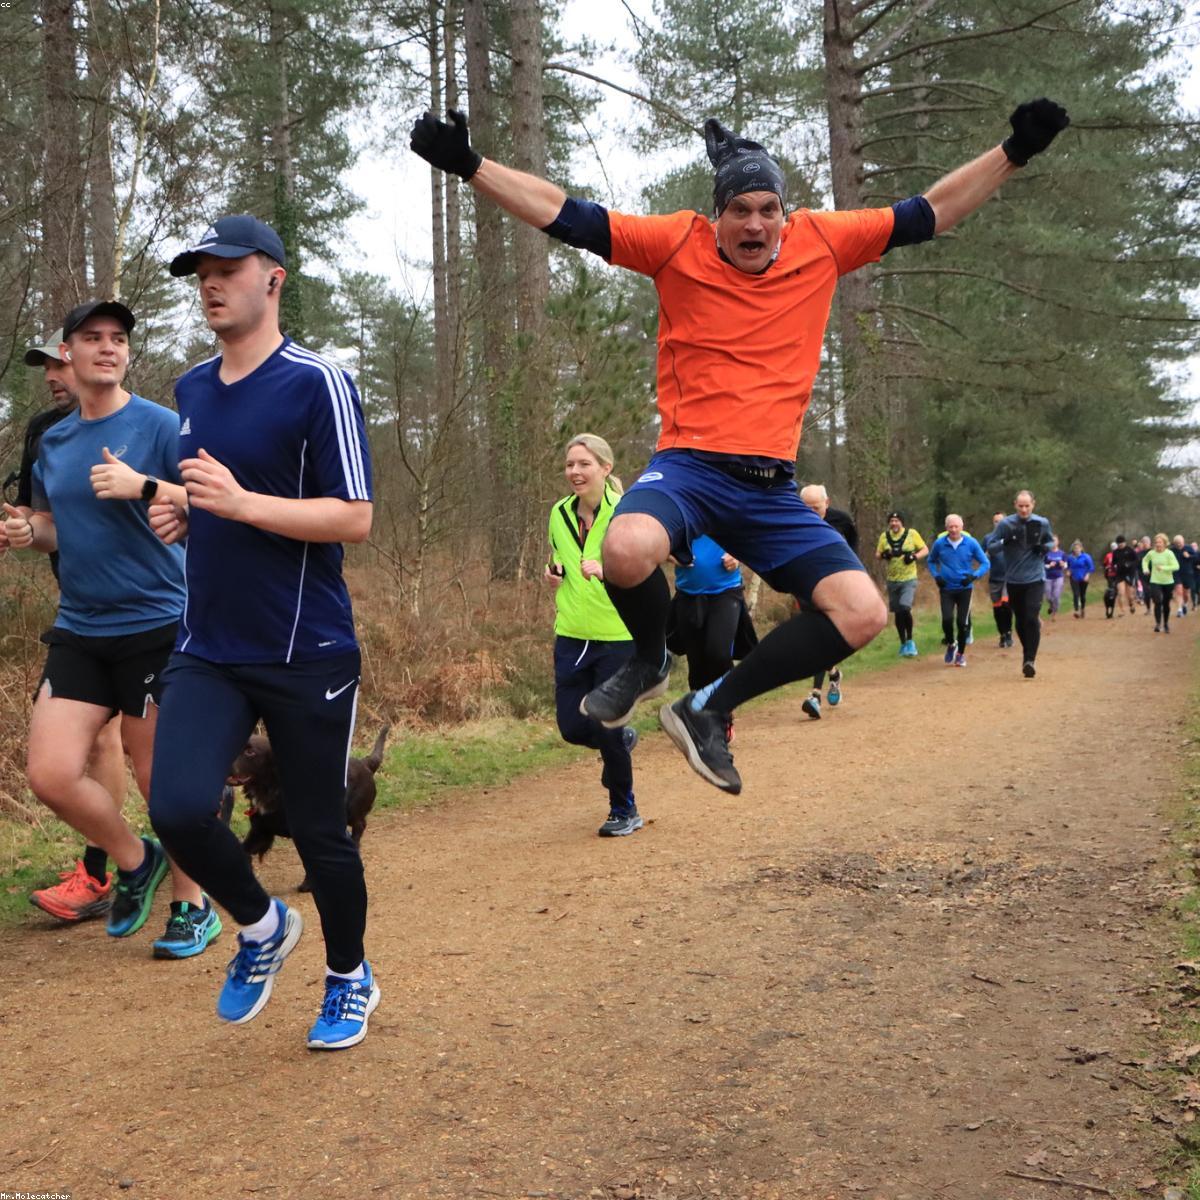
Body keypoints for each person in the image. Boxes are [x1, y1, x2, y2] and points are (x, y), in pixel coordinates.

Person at [410, 94, 1072, 793]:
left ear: (784, 215)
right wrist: (471, 165)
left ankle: (707, 708)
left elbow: (932, 211)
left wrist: (1014, 153)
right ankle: (648, 660)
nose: (755, 224)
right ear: (716, 216)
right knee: (626, 548)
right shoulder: (675, 241)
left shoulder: (824, 240)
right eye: (739, 211)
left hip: (769, 486)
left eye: (767, 210)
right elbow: (565, 213)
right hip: (690, 466)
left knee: (864, 610)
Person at [148, 214, 378, 1049]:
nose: (210, 283)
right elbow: (214, 497)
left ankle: (350, 978)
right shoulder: (191, 389)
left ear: (273, 278)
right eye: (199, 272)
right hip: (208, 643)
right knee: (176, 807)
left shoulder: (318, 382)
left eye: (227, 268)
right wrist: (186, 511)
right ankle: (260, 925)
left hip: (305, 647)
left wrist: (241, 505)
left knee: (320, 834)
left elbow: (354, 517)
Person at [1, 301, 213, 955]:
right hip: (81, 625)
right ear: (68, 352)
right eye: (92, 338)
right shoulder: (56, 441)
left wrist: (144, 485)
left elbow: (213, 501)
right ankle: (133, 859)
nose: (107, 348)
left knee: (157, 776)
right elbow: (54, 528)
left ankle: (192, 904)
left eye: (118, 338)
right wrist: (24, 531)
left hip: (155, 620)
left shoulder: (159, 425)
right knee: (51, 772)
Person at [5, 329, 126, 922]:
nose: (51, 374)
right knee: (91, 743)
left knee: (132, 745)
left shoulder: (138, 428)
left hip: (151, 611)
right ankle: (113, 867)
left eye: (58, 361)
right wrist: (20, 529)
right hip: (79, 608)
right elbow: (37, 515)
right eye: (45, 365)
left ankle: (126, 870)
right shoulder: (42, 433)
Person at [546, 434, 643, 837]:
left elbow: (646, 570)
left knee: (606, 724)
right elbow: (556, 559)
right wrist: (551, 572)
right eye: (570, 464)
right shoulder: (558, 513)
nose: (574, 472)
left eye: (584, 464)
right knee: (572, 727)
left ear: (605, 468)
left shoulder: (627, 513)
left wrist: (609, 571)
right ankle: (617, 742)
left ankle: (624, 809)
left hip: (617, 635)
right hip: (570, 633)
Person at [667, 534, 756, 736]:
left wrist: (738, 555)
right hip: (688, 595)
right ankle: (700, 718)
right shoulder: (681, 510)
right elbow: (659, 543)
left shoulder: (727, 507)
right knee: (697, 662)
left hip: (725, 592)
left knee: (718, 653)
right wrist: (670, 555)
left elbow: (753, 536)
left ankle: (723, 714)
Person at [799, 484, 856, 716]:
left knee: (820, 638)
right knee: (812, 639)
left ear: (827, 503)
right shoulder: (793, 521)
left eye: (816, 507)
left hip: (834, 586)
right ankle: (833, 673)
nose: (812, 512)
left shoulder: (842, 521)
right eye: (807, 507)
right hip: (805, 586)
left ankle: (815, 694)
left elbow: (853, 549)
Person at [988, 490, 1053, 678]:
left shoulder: (1042, 523)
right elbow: (991, 547)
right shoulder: (1005, 524)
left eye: (1027, 505)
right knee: (1021, 620)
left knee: (1032, 618)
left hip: (1035, 578)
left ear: (1033, 504)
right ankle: (1028, 652)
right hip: (1014, 579)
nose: (1024, 509)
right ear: (1015, 505)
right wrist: (1005, 541)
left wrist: (1043, 548)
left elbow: (1050, 542)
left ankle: (1029, 659)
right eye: (1020, 506)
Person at [925, 514, 989, 667]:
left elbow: (985, 563)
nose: (953, 530)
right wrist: (936, 576)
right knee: (947, 620)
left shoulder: (971, 543)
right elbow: (931, 561)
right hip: (946, 588)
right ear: (946, 528)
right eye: (950, 527)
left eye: (956, 526)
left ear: (962, 527)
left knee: (962, 623)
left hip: (964, 588)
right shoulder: (940, 544)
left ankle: (960, 654)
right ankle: (951, 643)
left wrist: (974, 576)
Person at [876, 510, 927, 657]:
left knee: (905, 607)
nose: (894, 523)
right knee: (898, 612)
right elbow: (878, 554)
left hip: (909, 578)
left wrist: (913, 556)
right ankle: (903, 643)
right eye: (891, 521)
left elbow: (925, 549)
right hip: (892, 580)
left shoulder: (911, 534)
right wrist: (885, 555)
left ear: (901, 522)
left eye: (897, 521)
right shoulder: (884, 537)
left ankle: (911, 641)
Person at [982, 511, 1014, 648]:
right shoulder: (988, 538)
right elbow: (981, 555)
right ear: (993, 523)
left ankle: (1009, 632)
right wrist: (986, 556)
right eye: (996, 521)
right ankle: (1002, 634)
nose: (998, 524)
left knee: (1006, 605)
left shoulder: (1013, 537)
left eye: (1001, 521)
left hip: (1010, 577)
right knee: (998, 608)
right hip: (994, 578)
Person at [1142, 533, 1180, 633]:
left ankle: (1166, 623)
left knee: (1166, 603)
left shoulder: (1169, 553)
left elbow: (1176, 566)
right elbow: (1145, 560)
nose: (1157, 544)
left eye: (1160, 542)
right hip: (1155, 581)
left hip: (1168, 582)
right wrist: (1145, 569)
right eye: (1156, 542)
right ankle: (1158, 624)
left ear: (1164, 543)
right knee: (1157, 601)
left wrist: (1163, 568)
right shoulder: (1151, 553)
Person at [1066, 540, 1094, 618]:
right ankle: (1076, 610)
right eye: (1075, 548)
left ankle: (1083, 608)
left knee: (1082, 595)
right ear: (1073, 549)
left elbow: (1091, 567)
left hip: (1083, 578)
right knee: (1075, 594)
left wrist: (1087, 575)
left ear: (1081, 548)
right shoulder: (1070, 557)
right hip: (1074, 578)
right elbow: (1068, 566)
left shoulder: (1086, 557)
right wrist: (1068, 571)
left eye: (1078, 548)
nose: (1076, 550)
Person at [1111, 535, 1138, 616]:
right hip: (1120, 574)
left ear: (1125, 542)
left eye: (1121, 543)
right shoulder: (1115, 552)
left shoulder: (1130, 550)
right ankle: (1122, 611)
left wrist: (1130, 564)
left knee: (1130, 594)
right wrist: (1114, 566)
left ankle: (1132, 604)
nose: (1120, 545)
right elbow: (1113, 562)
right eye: (1118, 543)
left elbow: (1136, 560)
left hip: (1129, 573)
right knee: (1120, 592)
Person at [1043, 536, 1067, 620]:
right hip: (1048, 577)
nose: (1053, 542)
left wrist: (1063, 565)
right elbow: (1042, 565)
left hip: (1058, 576)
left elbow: (1066, 565)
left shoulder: (1062, 553)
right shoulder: (1047, 553)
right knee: (1048, 596)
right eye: (1051, 541)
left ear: (1058, 542)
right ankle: (1051, 605)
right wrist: (1049, 565)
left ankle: (1054, 613)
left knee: (1056, 595)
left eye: (1054, 540)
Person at [1172, 534, 1194, 618]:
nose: (1178, 544)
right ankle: (1179, 610)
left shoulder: (1189, 548)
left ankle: (1184, 604)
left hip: (1187, 574)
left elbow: (1196, 558)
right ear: (1174, 543)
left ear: (1183, 541)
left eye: (1180, 542)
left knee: (1186, 594)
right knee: (1179, 591)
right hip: (1176, 573)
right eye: (1176, 543)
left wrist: (1189, 556)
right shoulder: (1172, 551)